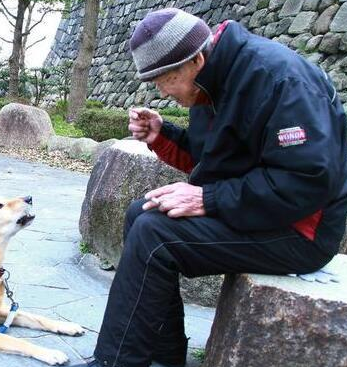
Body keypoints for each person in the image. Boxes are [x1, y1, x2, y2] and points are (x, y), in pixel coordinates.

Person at [73, 8, 346, 367]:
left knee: (157, 235)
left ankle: (117, 362)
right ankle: (162, 355)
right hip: (266, 211)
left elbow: (306, 179)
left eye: (166, 79)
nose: (162, 90)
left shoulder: (280, 79)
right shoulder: (211, 84)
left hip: (301, 229)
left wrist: (208, 197)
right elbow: (213, 159)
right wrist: (163, 135)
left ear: (196, 59)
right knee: (140, 213)